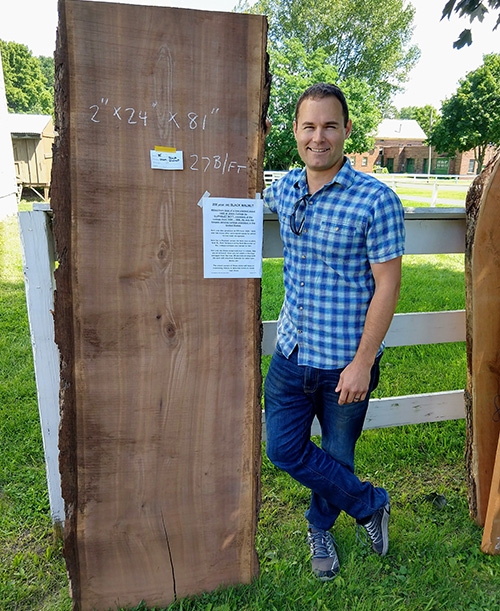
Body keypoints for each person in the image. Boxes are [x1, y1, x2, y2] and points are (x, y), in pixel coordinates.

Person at [263, 83, 405, 581]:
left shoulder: (375, 200)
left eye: (329, 126)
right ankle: (369, 504)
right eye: (309, 126)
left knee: (337, 456)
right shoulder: (284, 189)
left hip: (346, 360)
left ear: (346, 131)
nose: (318, 136)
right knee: (281, 448)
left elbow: (388, 286)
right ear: (296, 132)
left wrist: (363, 363)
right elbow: (228, 192)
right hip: (291, 352)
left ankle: (320, 528)